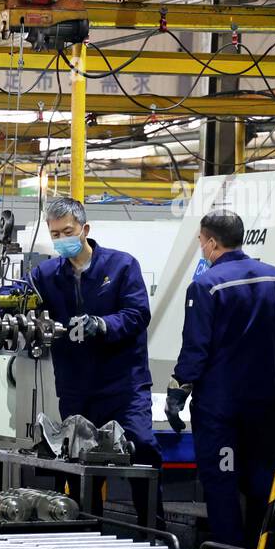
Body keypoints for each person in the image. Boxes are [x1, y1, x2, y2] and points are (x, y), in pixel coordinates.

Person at [167, 210, 275, 549]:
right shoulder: (274, 279)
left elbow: (196, 347)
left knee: (222, 480)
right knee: (261, 478)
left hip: (220, 408)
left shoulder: (206, 285)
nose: (201, 247)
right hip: (266, 403)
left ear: (212, 242)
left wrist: (177, 392)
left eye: (200, 241)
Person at [28, 196, 164, 525]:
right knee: (78, 464)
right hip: (76, 387)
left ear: (85, 229)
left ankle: (153, 531)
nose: (62, 240)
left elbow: (137, 314)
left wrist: (102, 325)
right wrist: (9, 303)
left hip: (123, 385)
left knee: (140, 449)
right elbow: (14, 299)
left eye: (68, 231)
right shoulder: (46, 275)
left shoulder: (121, 266)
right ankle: (86, 531)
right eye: (55, 234)